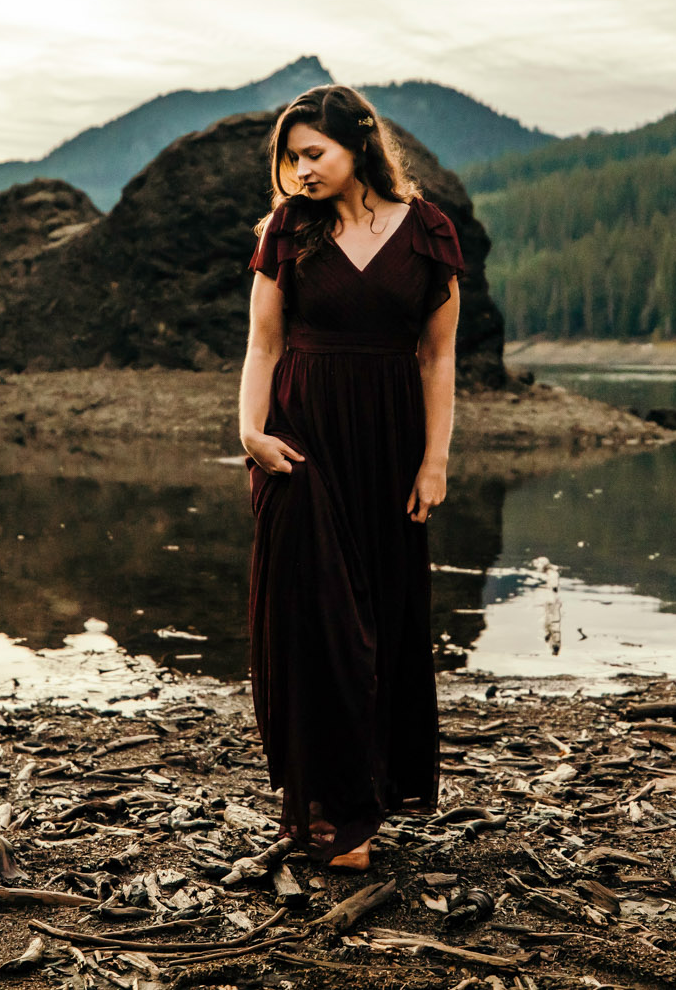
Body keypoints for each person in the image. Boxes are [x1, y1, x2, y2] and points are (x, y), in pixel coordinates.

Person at [236, 83, 465, 871]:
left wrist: (435, 459)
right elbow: (263, 346)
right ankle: (334, 814)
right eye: (290, 157)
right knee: (316, 627)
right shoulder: (286, 229)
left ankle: (368, 797)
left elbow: (438, 357)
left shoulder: (429, 232)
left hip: (391, 447)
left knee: (384, 623)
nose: (299, 170)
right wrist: (250, 432)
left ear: (359, 146)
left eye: (313, 153)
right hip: (301, 446)